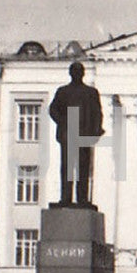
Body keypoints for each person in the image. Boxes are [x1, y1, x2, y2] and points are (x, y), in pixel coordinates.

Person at [48, 61, 105, 206]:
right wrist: (64, 121)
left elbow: (97, 112)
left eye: (79, 71)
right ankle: (66, 198)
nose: (77, 74)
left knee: (83, 167)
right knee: (67, 167)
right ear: (70, 73)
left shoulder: (91, 92)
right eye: (75, 71)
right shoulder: (63, 91)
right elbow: (53, 109)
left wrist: (97, 129)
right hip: (69, 132)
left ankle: (82, 198)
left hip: (84, 133)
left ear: (83, 74)